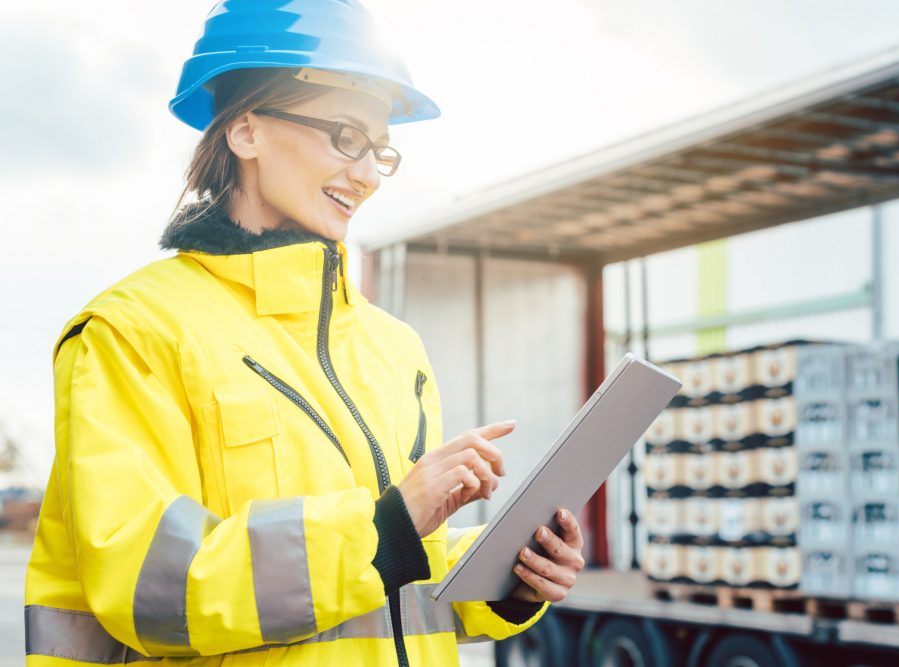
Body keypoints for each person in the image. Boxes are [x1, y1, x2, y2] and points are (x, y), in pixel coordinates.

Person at [23, 1, 585, 664]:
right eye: (346, 136)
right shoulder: (134, 332)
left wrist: (505, 577)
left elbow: (393, 587)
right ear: (245, 130)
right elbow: (152, 586)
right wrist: (388, 527)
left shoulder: (393, 348)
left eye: (379, 149)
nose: (369, 174)